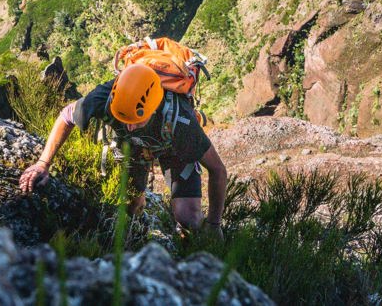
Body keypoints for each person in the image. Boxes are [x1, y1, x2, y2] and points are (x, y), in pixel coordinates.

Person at [18, 64, 227, 237]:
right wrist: (42, 164)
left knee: (188, 218)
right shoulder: (103, 98)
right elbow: (66, 117)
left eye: (136, 120)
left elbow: (218, 170)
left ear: (154, 107)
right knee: (131, 206)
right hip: (131, 147)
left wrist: (214, 225)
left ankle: (189, 243)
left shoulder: (182, 123)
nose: (129, 126)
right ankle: (139, 232)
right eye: (123, 118)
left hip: (173, 148)